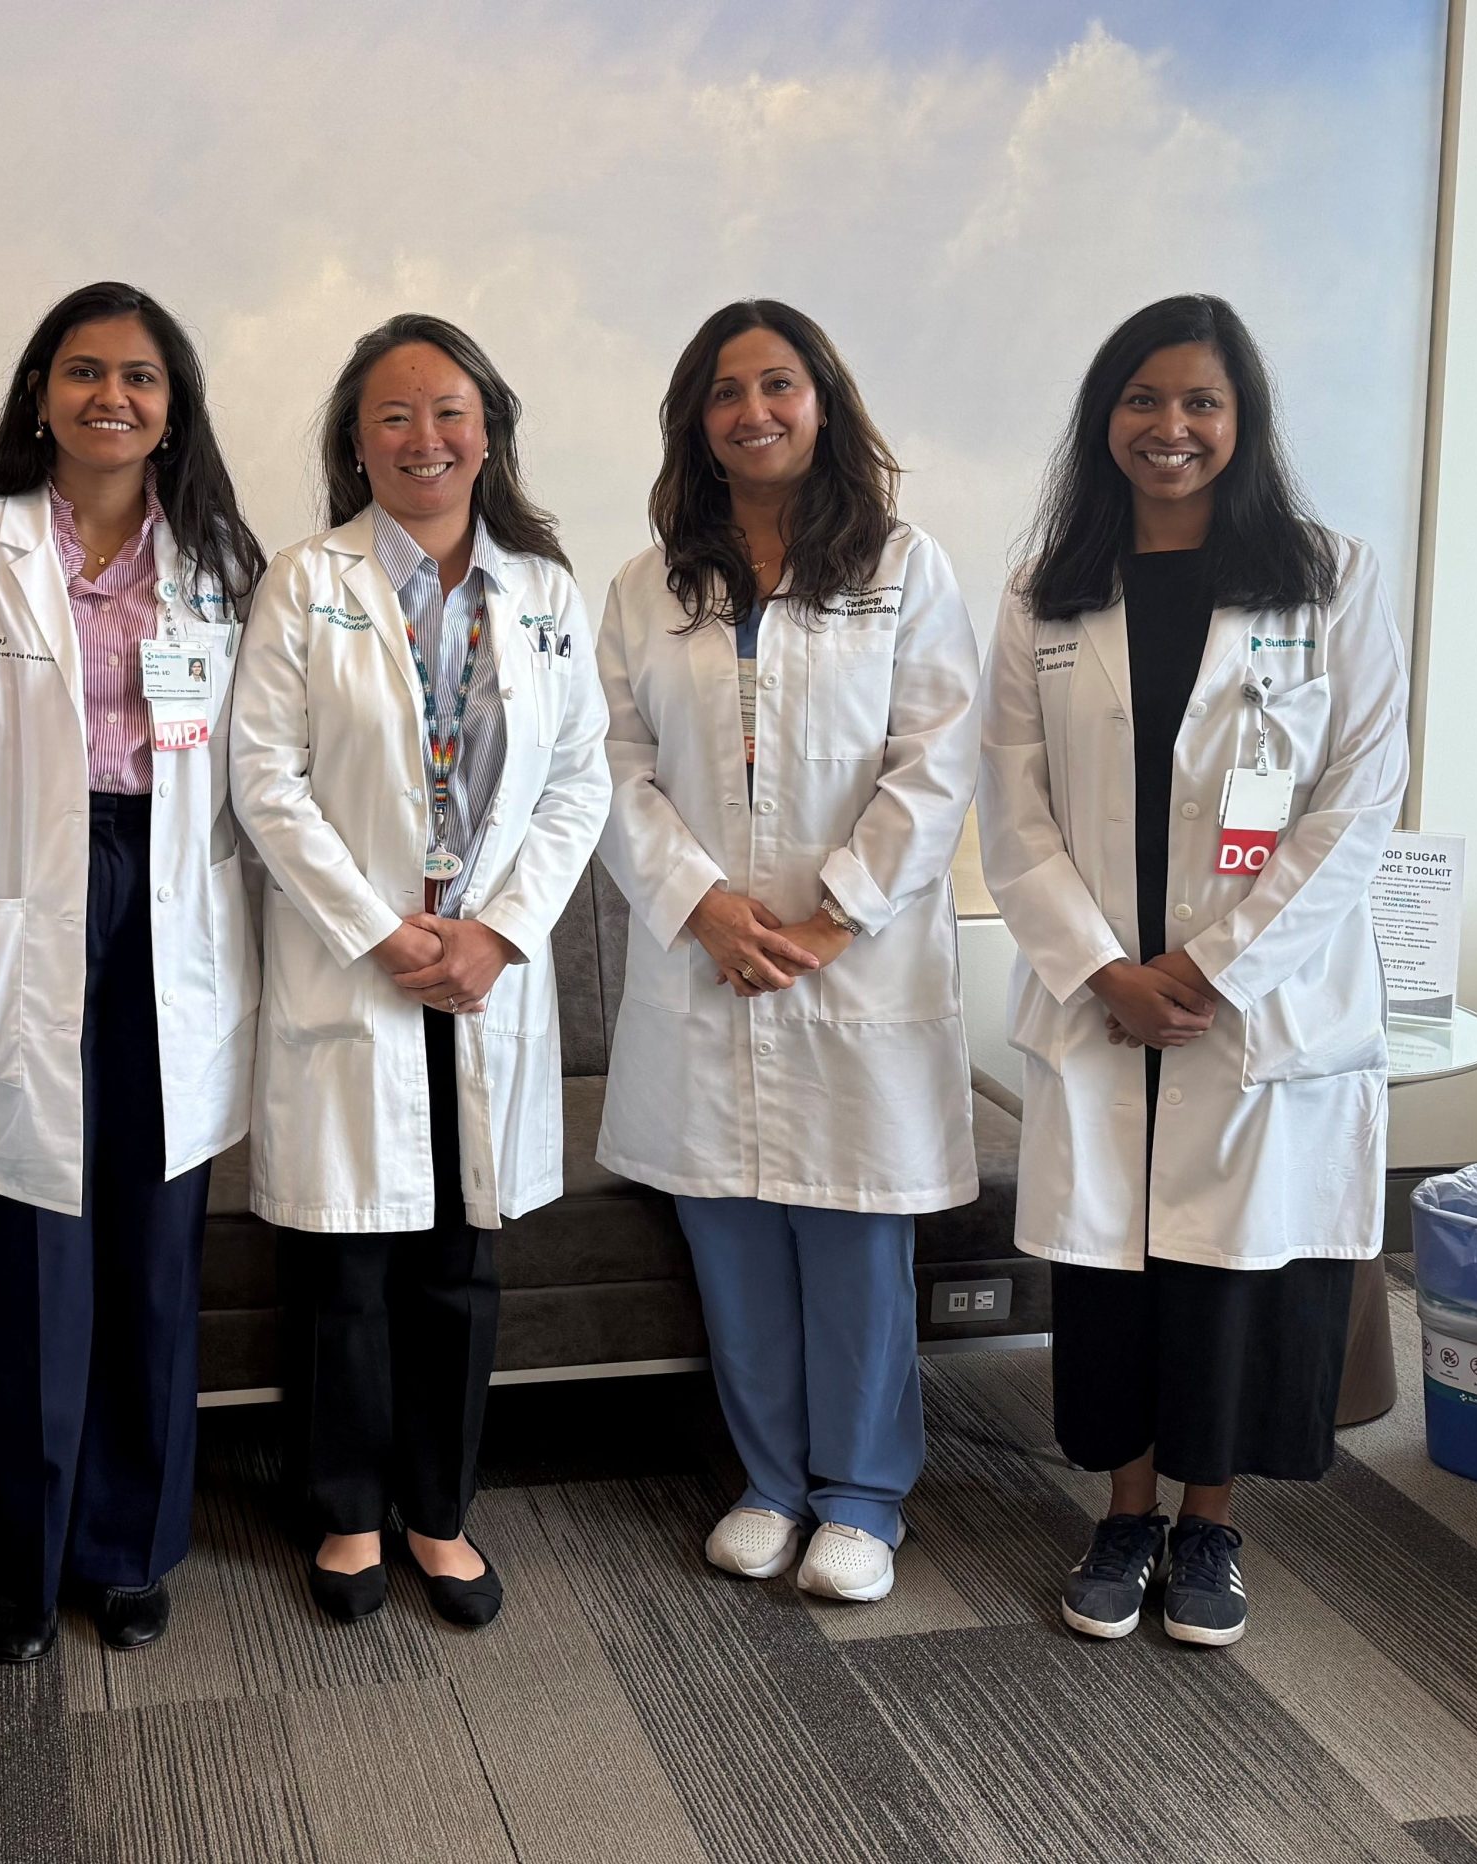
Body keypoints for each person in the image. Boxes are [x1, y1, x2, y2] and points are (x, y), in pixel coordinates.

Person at [978, 294, 1409, 1647]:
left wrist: (1219, 967)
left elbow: (1359, 795)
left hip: (1254, 1005)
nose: (1171, 428)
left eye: (1201, 403)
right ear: (1104, 419)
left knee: (1231, 1272)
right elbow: (1011, 806)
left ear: (1243, 421)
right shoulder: (1048, 592)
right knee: (1113, 1274)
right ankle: (1124, 1513)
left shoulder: (1330, 578)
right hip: (1105, 1001)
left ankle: (1209, 1521)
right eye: (1143, 400)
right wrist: (1104, 969)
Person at [0, 283, 265, 1663]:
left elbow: (257, 773)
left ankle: (129, 1548)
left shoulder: (220, 561)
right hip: (20, 908)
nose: (113, 396)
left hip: (172, 906)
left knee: (155, 1253)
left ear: (175, 406)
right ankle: (21, 1552)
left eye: (142, 376)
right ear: (41, 393)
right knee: (29, 1252)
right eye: (85, 371)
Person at [594, 301, 980, 1604]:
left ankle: (862, 1497)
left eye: (777, 384)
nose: (751, 411)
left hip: (854, 961)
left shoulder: (905, 568)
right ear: (693, 422)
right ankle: (769, 1483)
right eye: (724, 391)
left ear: (823, 400)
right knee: (732, 1234)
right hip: (704, 958)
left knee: (853, 1231)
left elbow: (936, 764)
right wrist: (700, 902)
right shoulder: (648, 586)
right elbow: (612, 767)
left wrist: (835, 918)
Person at [229, 315, 609, 1629]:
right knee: (344, 1266)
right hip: (361, 972)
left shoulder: (543, 592)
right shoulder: (305, 582)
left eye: (448, 411)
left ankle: (439, 1514)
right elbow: (265, 780)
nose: (423, 438)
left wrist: (497, 932)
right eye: (392, 416)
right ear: (356, 441)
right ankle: (347, 1511)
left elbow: (578, 781)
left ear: (487, 432)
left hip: (482, 975)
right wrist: (378, 931)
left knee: (460, 1261)